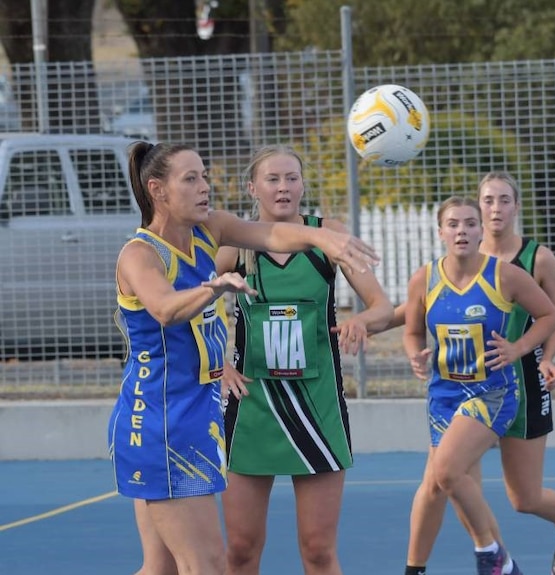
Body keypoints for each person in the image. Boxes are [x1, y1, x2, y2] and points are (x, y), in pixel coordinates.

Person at [107, 141, 379, 575]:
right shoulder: (140, 254)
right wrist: (214, 289)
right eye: (190, 179)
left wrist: (322, 235)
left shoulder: (208, 231)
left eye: (204, 176)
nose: (204, 187)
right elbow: (164, 309)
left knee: (162, 569)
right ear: (158, 190)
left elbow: (270, 233)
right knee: (208, 565)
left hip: (195, 413)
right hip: (160, 420)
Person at [216, 145, 394, 575]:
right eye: (273, 179)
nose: (283, 187)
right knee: (240, 549)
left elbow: (382, 307)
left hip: (316, 404)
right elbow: (196, 305)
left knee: (317, 550)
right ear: (252, 187)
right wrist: (219, 363)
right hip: (253, 406)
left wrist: (361, 323)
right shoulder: (237, 244)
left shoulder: (326, 236)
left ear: (302, 185)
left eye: (291, 178)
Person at [403, 173, 555, 575]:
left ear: (515, 207)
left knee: (523, 498)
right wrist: (383, 331)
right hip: (456, 389)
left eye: (504, 200)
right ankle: (490, 560)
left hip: (516, 378)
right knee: (444, 479)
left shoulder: (532, 260)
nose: (495, 209)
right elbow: (412, 318)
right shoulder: (441, 269)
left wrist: (544, 358)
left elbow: (554, 317)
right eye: (488, 201)